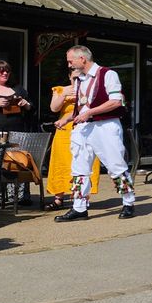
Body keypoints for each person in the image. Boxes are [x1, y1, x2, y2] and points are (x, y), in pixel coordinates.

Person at [53, 45, 137, 221]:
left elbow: (116, 102)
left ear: (82, 58)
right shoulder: (79, 79)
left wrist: (89, 113)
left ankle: (128, 202)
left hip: (105, 126)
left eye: (71, 61)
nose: (69, 65)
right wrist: (67, 118)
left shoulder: (108, 74)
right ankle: (79, 207)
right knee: (78, 168)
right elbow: (82, 107)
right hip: (84, 128)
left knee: (116, 165)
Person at [0, 60, 36, 206]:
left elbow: (32, 110)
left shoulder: (18, 89)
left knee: (18, 163)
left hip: (18, 134)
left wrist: (27, 105)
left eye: (7, 71)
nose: (5, 73)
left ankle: (20, 197)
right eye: (1, 71)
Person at [45, 67, 101, 211]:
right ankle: (58, 198)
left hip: (85, 129)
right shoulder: (60, 89)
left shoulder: (89, 90)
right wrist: (63, 94)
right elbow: (54, 108)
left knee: (83, 163)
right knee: (61, 163)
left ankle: (80, 195)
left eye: (81, 77)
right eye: (74, 77)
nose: (77, 80)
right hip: (65, 131)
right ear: (69, 77)